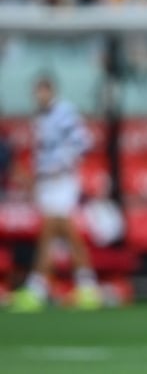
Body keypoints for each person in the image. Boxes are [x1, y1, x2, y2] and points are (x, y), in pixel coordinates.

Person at [10, 75, 100, 312]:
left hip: (61, 181)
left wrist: (60, 165)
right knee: (59, 233)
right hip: (47, 182)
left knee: (54, 230)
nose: (39, 96)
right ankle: (85, 285)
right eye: (37, 91)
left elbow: (83, 142)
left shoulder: (64, 113)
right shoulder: (40, 117)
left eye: (43, 91)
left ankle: (38, 287)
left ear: (51, 91)